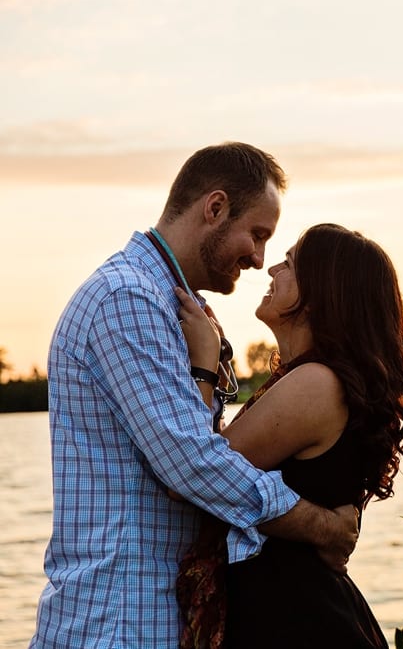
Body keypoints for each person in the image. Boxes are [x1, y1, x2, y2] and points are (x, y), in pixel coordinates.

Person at [31, 143, 359, 649]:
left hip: (152, 616)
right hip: (117, 622)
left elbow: (198, 452)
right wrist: (322, 527)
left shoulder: (177, 308)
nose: (258, 259)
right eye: (257, 234)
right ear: (214, 208)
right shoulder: (129, 298)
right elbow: (193, 465)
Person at [175, 223, 403, 648]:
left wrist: (203, 366)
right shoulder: (315, 379)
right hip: (296, 610)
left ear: (321, 294)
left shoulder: (316, 384)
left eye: (288, 264)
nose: (271, 269)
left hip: (296, 618)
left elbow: (196, 471)